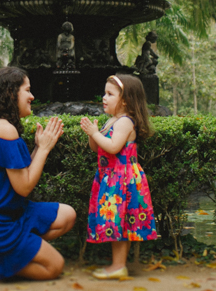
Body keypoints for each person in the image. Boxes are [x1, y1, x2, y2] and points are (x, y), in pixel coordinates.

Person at [0, 67, 77, 281]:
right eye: (27, 90)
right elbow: (24, 187)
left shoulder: (2, 127)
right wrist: (44, 149)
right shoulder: (4, 130)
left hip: (9, 214)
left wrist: (38, 148)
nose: (32, 96)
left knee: (67, 216)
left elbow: (20, 175)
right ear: (12, 94)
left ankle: (11, 251)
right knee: (54, 266)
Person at [79, 74, 158, 279]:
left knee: (121, 223)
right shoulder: (113, 120)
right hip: (112, 178)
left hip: (122, 179)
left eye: (109, 94)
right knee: (115, 222)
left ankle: (118, 265)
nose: (104, 98)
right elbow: (97, 147)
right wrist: (93, 134)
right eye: (104, 93)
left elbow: (113, 148)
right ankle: (118, 265)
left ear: (125, 100)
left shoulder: (124, 122)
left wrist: (95, 133)